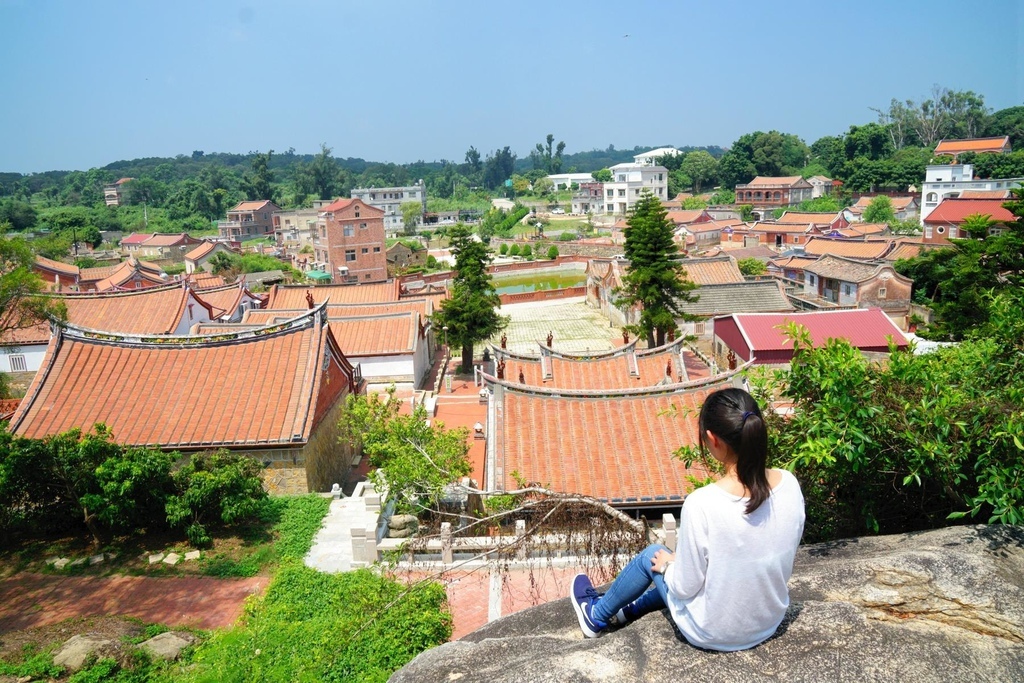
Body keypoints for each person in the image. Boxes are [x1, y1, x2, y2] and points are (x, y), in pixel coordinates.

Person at [569, 387, 805, 651]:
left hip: (712, 631)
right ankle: (630, 609)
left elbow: (683, 588)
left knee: (654, 556)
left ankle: (596, 616)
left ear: (712, 439)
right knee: (682, 564)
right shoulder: (790, 484)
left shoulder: (703, 503)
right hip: (767, 622)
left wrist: (670, 565)